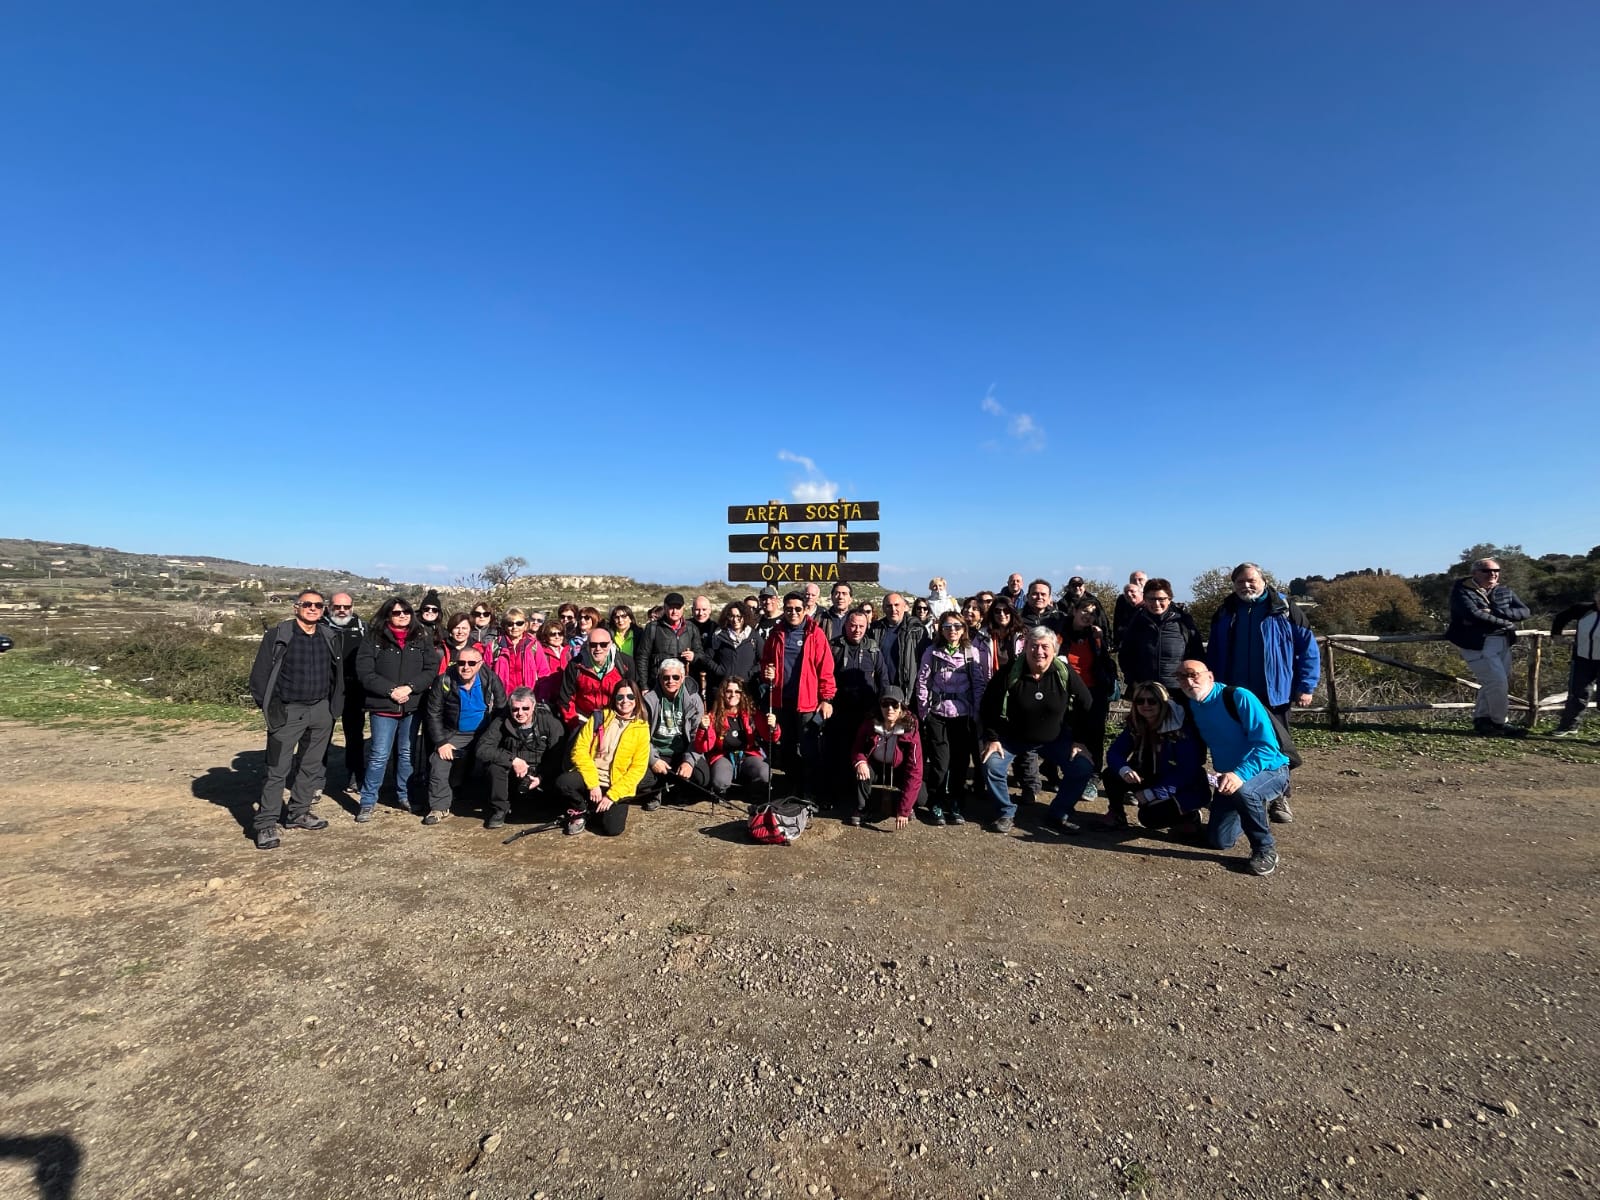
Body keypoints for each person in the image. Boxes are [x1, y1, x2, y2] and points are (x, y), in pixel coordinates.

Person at [1206, 562, 1320, 821]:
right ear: (1233, 585)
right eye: (1240, 582)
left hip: (1273, 693)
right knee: (1236, 742)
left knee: (1277, 745)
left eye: (1251, 580)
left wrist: (1306, 686)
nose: (1246, 586)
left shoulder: (1284, 609)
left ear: (1263, 580)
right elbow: (1214, 649)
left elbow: (1308, 649)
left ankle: (1279, 798)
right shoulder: (1226, 611)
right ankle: (1234, 793)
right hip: (1233, 692)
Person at [1174, 660, 1289, 877]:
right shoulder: (1191, 705)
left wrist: (1239, 775)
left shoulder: (1239, 697)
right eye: (1181, 677)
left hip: (1270, 770)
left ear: (1210, 676)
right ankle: (1245, 810)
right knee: (1219, 840)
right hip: (1228, 777)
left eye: (1193, 675)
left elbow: (1267, 746)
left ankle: (1265, 849)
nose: (1188, 682)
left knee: (1245, 792)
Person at [977, 626, 1097, 834]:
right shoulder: (1010, 671)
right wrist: (993, 738)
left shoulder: (1063, 672)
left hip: (1054, 738)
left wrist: (1079, 740)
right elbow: (988, 704)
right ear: (1025, 648)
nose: (1039, 651)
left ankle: (1059, 813)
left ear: (1054, 649)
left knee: (1082, 768)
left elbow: (1086, 704)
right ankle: (1005, 812)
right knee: (992, 765)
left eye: (1044, 647)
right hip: (1011, 738)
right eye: (1033, 646)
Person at [248, 590, 343, 849]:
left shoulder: (328, 636)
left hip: (321, 710)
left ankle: (298, 813)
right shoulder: (279, 635)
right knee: (277, 769)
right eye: (307, 604)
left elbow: (336, 673)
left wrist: (333, 706)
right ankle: (266, 823)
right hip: (288, 711)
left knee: (310, 765)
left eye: (318, 605)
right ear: (296, 607)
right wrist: (270, 708)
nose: (313, 609)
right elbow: (260, 677)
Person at [354, 597, 441, 822]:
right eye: (396, 612)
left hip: (412, 706)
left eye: (406, 612)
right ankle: (367, 801)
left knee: (406, 754)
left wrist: (410, 688)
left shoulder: (421, 636)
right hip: (384, 706)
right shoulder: (373, 638)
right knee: (379, 754)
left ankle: (406, 795)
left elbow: (431, 668)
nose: (402, 615)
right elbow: (365, 672)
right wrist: (391, 690)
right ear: (387, 615)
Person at [761, 591, 837, 802]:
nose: (792, 612)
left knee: (809, 749)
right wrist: (767, 671)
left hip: (807, 702)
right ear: (783, 609)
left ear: (805, 610)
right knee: (786, 747)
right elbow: (766, 661)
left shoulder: (815, 633)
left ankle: (810, 790)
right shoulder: (776, 633)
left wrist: (827, 698)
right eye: (788, 609)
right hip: (782, 700)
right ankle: (794, 785)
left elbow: (826, 668)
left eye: (797, 609)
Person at [1105, 681, 1210, 834]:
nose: (1146, 705)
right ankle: (1116, 814)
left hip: (1183, 786)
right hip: (1151, 776)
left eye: (1152, 701)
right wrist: (1124, 770)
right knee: (1111, 774)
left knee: (1148, 818)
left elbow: (1187, 771)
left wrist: (1152, 793)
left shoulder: (1180, 730)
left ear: (1163, 703)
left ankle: (1190, 816)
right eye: (1140, 701)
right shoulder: (1136, 724)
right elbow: (1114, 753)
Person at [914, 610, 988, 825]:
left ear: (963, 629)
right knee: (940, 763)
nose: (952, 630)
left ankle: (956, 803)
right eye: (947, 626)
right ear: (941, 629)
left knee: (960, 762)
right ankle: (936, 802)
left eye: (956, 626)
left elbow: (978, 684)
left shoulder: (970, 652)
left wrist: (975, 713)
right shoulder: (932, 652)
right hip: (937, 713)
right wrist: (923, 712)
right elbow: (922, 682)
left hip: (963, 715)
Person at [1446, 558, 1531, 737]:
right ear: (1475, 573)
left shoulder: (1503, 590)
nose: (1493, 574)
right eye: (1487, 571)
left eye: (1496, 570)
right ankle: (1500, 723)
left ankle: (1483, 720)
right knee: (1497, 683)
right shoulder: (1462, 591)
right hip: (1477, 643)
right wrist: (1507, 624)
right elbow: (1473, 614)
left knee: (1493, 683)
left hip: (1502, 642)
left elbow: (1525, 611)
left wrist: (1498, 614)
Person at [421, 648, 506, 825]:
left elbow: (501, 708)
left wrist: (496, 737)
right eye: (461, 663)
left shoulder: (490, 679)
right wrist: (441, 742)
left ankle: (495, 804)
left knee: (495, 761)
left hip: (485, 732)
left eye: (471, 663)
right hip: (455, 732)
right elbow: (433, 713)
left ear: (480, 664)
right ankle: (439, 806)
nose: (466, 667)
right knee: (439, 760)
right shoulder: (444, 680)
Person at [552, 684, 649, 836]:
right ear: (614, 699)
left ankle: (596, 807)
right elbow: (579, 750)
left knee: (613, 829)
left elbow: (638, 769)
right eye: (620, 697)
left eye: (630, 696)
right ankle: (580, 809)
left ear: (636, 699)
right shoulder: (600, 718)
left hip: (616, 784)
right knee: (563, 783)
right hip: (591, 777)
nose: (625, 701)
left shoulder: (642, 728)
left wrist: (612, 795)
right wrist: (593, 784)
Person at [478, 686, 565, 829]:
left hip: (542, 771)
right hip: (514, 771)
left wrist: (541, 777)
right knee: (494, 767)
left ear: (533, 706)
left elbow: (558, 755)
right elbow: (482, 749)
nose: (520, 713)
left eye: (525, 708)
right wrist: (513, 760)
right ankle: (500, 809)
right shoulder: (501, 721)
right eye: (515, 709)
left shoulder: (549, 722)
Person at [849, 687, 925, 829]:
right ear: (880, 706)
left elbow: (915, 770)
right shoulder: (870, 722)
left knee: (922, 797)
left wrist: (904, 810)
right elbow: (857, 747)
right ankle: (862, 808)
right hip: (876, 766)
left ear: (901, 706)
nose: (889, 709)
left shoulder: (910, 728)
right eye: (885, 704)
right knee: (862, 771)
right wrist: (860, 761)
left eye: (894, 704)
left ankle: (905, 806)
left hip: (899, 769)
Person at [827, 609, 886, 794]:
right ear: (846, 625)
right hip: (839, 710)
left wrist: (883, 707)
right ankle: (837, 791)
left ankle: (859, 793)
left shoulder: (873, 648)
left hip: (866, 712)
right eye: (853, 625)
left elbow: (883, 679)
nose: (857, 630)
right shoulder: (834, 646)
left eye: (861, 626)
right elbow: (825, 675)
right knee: (838, 751)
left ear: (867, 626)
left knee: (863, 752)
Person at [1061, 595, 1119, 773]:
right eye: (1084, 610)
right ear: (1075, 611)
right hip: (1067, 691)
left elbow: (1103, 661)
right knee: (1067, 733)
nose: (1088, 615)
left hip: (1094, 690)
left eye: (1093, 613)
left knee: (1095, 734)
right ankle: (1066, 770)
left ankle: (1093, 774)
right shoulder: (1060, 634)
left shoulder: (1096, 636)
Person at [637, 660, 705, 811]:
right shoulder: (649, 700)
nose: (670, 681)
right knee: (641, 780)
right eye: (666, 677)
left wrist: (689, 761)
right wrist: (653, 760)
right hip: (657, 751)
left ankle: (678, 788)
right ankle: (657, 790)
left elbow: (696, 735)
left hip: (682, 750)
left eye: (675, 677)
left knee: (702, 778)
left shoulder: (694, 700)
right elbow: (640, 737)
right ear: (659, 678)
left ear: (682, 677)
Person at [1115, 578, 1203, 691]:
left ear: (1169, 599)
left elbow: (1197, 654)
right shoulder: (1136, 622)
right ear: (1145, 599)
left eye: (1161, 599)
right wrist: (1132, 681)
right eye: (1152, 599)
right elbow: (1126, 655)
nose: (1156, 603)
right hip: (1146, 690)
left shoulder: (1183, 622)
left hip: (1178, 690)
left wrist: (1190, 681)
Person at [692, 677, 772, 797]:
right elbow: (703, 747)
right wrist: (703, 729)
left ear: (742, 694)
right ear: (723, 694)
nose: (732, 695)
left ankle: (750, 785)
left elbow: (770, 736)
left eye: (737, 692)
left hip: (748, 755)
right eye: (728, 691)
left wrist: (773, 725)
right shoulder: (713, 716)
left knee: (765, 773)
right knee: (720, 782)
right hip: (723, 756)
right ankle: (725, 786)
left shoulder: (752, 714)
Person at [321, 591, 368, 782]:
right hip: (325, 690)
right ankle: (316, 780)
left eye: (346, 607)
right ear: (328, 607)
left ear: (352, 607)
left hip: (354, 690)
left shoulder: (363, 628)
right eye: (337, 607)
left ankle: (355, 775)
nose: (341, 610)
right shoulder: (318, 627)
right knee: (320, 737)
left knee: (355, 736)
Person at [557, 625, 633, 728]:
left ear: (611, 644)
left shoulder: (624, 664)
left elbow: (633, 696)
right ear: (587, 645)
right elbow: (566, 699)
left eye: (603, 644)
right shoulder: (576, 666)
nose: (598, 649)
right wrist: (574, 724)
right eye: (593, 645)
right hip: (583, 720)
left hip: (615, 720)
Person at [1551, 587, 1600, 736]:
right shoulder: (1583, 609)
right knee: (1577, 693)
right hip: (1582, 658)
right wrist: (1557, 635)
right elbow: (1561, 617)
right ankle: (1569, 726)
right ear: (1596, 596)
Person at [635, 592, 705, 694]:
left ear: (683, 608)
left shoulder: (691, 628)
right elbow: (642, 657)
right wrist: (644, 686)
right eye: (671, 607)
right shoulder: (653, 628)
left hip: (684, 685)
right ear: (665, 607)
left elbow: (701, 654)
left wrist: (694, 656)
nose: (674, 611)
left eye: (678, 608)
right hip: (657, 684)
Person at [870, 592, 929, 694]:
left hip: (908, 691)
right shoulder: (875, 629)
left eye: (896, 605)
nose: (893, 609)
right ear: (883, 608)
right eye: (889, 606)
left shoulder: (917, 630)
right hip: (882, 690)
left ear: (905, 607)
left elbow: (925, 662)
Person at [706, 600, 762, 692]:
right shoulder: (719, 636)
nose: (735, 620)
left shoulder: (754, 636)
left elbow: (763, 660)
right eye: (731, 616)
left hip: (747, 688)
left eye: (738, 616)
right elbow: (707, 658)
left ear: (744, 616)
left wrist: (750, 673)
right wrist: (720, 671)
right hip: (724, 689)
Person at [489, 607, 542, 695]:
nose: (514, 627)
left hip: (528, 698)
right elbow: (486, 675)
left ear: (525, 625)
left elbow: (543, 673)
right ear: (504, 626)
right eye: (510, 624)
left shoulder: (534, 645)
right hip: (502, 698)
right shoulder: (494, 646)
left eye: (519, 623)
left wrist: (540, 697)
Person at [531, 619, 570, 706]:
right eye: (553, 634)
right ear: (545, 636)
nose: (557, 637)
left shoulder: (567, 652)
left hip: (565, 697)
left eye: (560, 633)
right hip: (546, 698)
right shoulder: (540, 652)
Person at [1113, 571, 1147, 641]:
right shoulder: (1122, 599)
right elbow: (1117, 620)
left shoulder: (1152, 597)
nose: (1137, 582)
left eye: (1140, 579)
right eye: (1133, 580)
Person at [608, 605, 638, 673]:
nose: (620, 620)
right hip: (614, 673)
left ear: (630, 619)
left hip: (634, 672)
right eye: (616, 617)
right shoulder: (609, 635)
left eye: (623, 616)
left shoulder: (639, 635)